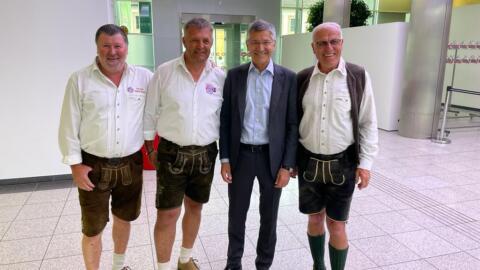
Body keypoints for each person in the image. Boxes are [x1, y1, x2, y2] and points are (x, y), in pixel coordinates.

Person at [58, 24, 152, 270]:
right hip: (92, 165)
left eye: (118, 46)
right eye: (106, 46)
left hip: (131, 163)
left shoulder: (144, 78)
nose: (113, 52)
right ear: (97, 48)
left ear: (126, 48)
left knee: (124, 218)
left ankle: (118, 266)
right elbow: (68, 125)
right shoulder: (80, 79)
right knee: (93, 228)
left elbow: (169, 94)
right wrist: (75, 166)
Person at [143, 18, 225, 270]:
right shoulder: (165, 72)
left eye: (205, 41)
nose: (200, 45)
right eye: (194, 40)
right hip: (171, 153)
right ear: (184, 41)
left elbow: (223, 118)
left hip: (205, 154)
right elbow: (149, 112)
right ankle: (164, 267)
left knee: (195, 207)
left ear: (211, 42)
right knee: (167, 214)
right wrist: (149, 148)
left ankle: (185, 259)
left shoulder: (220, 76)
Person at [296, 22, 378, 270]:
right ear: (313, 47)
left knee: (337, 224)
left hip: (343, 164)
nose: (328, 47)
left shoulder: (358, 76)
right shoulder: (302, 78)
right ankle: (318, 265)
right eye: (321, 43)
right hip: (308, 162)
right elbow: (293, 123)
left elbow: (368, 122)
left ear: (342, 43)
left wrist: (365, 164)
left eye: (334, 41)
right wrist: (290, 161)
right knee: (314, 218)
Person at [219, 19, 298, 270]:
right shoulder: (235, 76)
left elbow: (292, 125)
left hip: (271, 159)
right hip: (241, 156)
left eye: (265, 42)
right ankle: (233, 264)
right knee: (236, 215)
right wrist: (225, 160)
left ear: (274, 44)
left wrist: (287, 165)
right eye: (255, 42)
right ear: (247, 45)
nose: (260, 47)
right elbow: (226, 120)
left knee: (269, 217)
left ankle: (263, 264)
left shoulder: (288, 78)